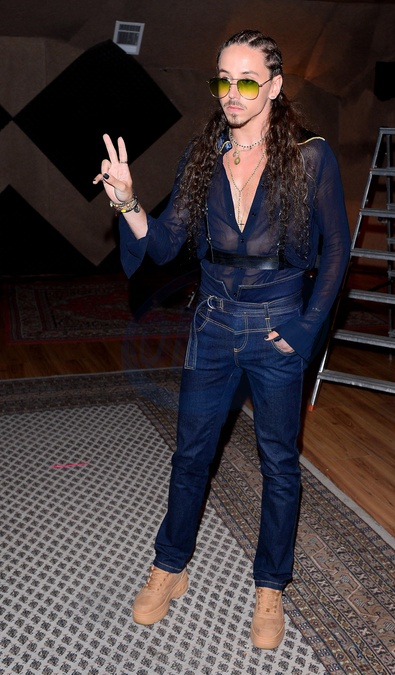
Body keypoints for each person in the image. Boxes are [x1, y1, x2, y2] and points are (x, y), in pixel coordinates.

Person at [93, 29, 350, 650]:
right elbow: (163, 245)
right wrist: (127, 203)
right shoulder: (204, 154)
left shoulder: (310, 157)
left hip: (278, 324)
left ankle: (270, 587)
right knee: (191, 455)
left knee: (279, 463)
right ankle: (170, 566)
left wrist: (303, 330)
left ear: (274, 87)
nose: (231, 94)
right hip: (211, 325)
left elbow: (338, 251)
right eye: (223, 81)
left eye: (246, 82)